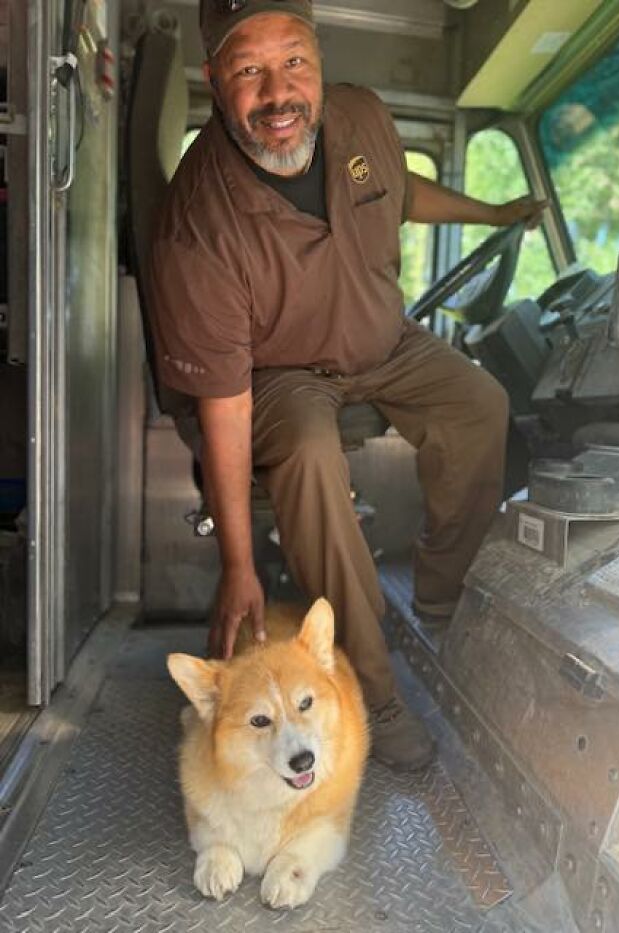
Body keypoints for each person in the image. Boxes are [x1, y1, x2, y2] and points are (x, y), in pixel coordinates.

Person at [148, 0, 546, 771]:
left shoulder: (360, 117)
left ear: (319, 57)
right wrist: (238, 564)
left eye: (293, 60)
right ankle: (371, 688)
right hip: (280, 372)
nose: (278, 93)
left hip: (382, 340)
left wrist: (495, 208)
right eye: (249, 70)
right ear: (215, 79)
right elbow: (226, 406)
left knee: (481, 403)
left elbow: (405, 194)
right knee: (307, 451)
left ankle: (439, 596)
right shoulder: (197, 223)